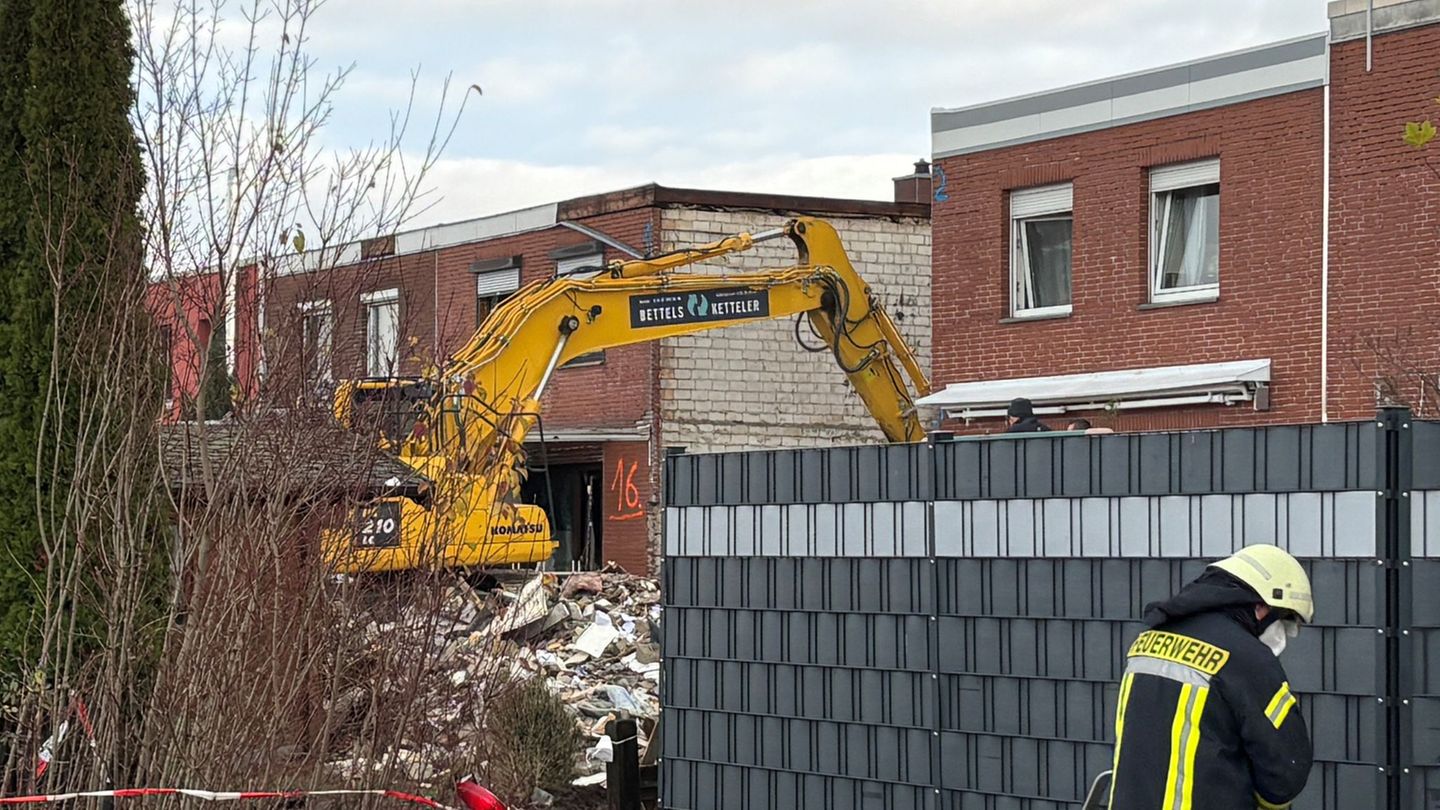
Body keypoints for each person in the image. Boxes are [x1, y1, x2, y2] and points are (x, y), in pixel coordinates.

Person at [1109, 544, 1314, 809]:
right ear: (1262, 606)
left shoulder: (1148, 640)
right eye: (1284, 619)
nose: (1283, 634)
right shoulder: (1247, 658)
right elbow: (1284, 774)